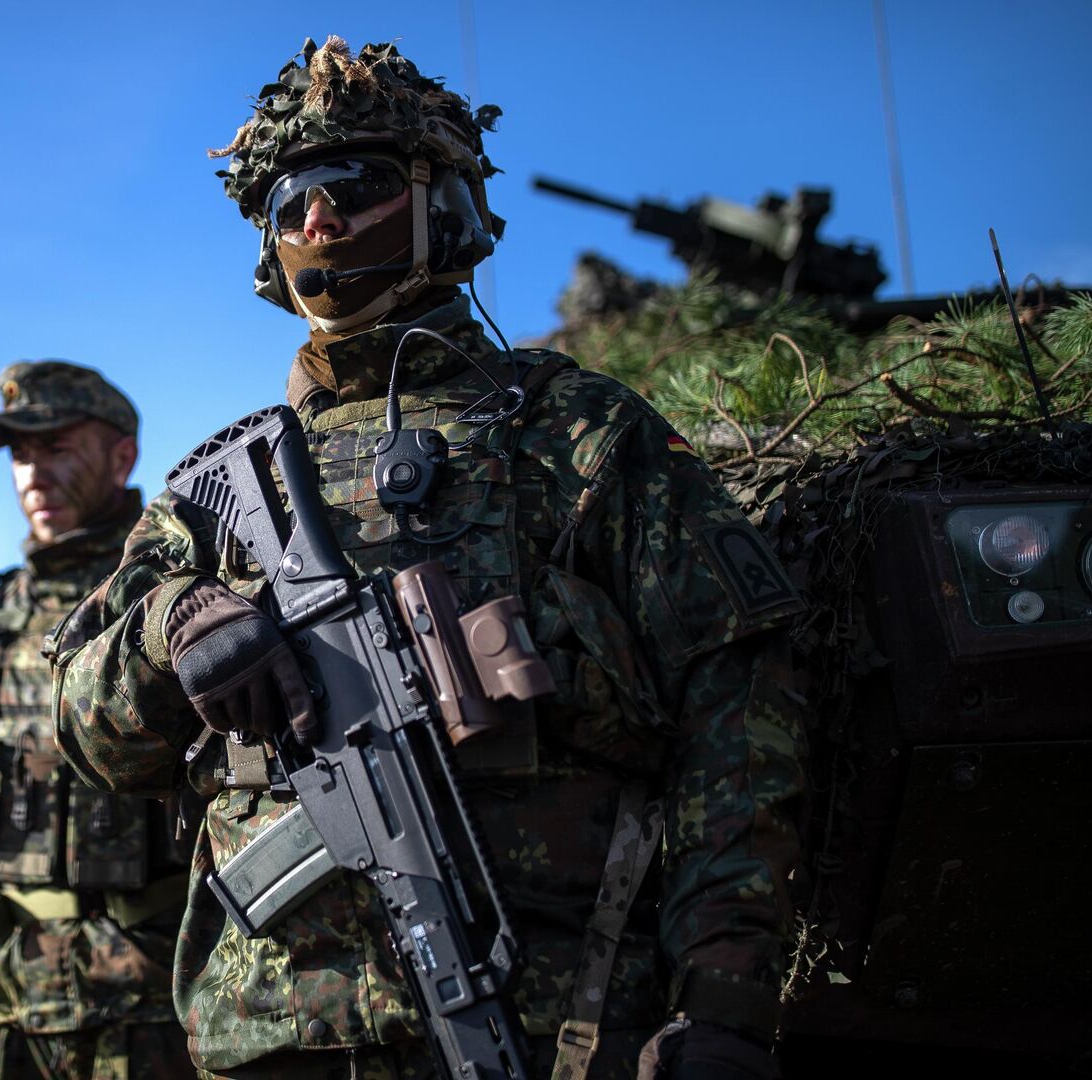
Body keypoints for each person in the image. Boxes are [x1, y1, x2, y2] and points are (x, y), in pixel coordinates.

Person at [49, 38, 807, 1080]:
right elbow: (90, 738)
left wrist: (723, 994)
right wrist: (166, 624)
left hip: (555, 1021)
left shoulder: (576, 433)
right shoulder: (218, 494)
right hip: (276, 1034)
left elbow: (744, 709)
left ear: (438, 200)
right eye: (291, 202)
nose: (319, 221)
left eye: (352, 185)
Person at [0, 361, 195, 1080]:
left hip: (150, 1005)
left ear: (122, 456)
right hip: (1, 1009)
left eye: (57, 447)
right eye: (20, 454)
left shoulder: (173, 605)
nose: (34, 473)